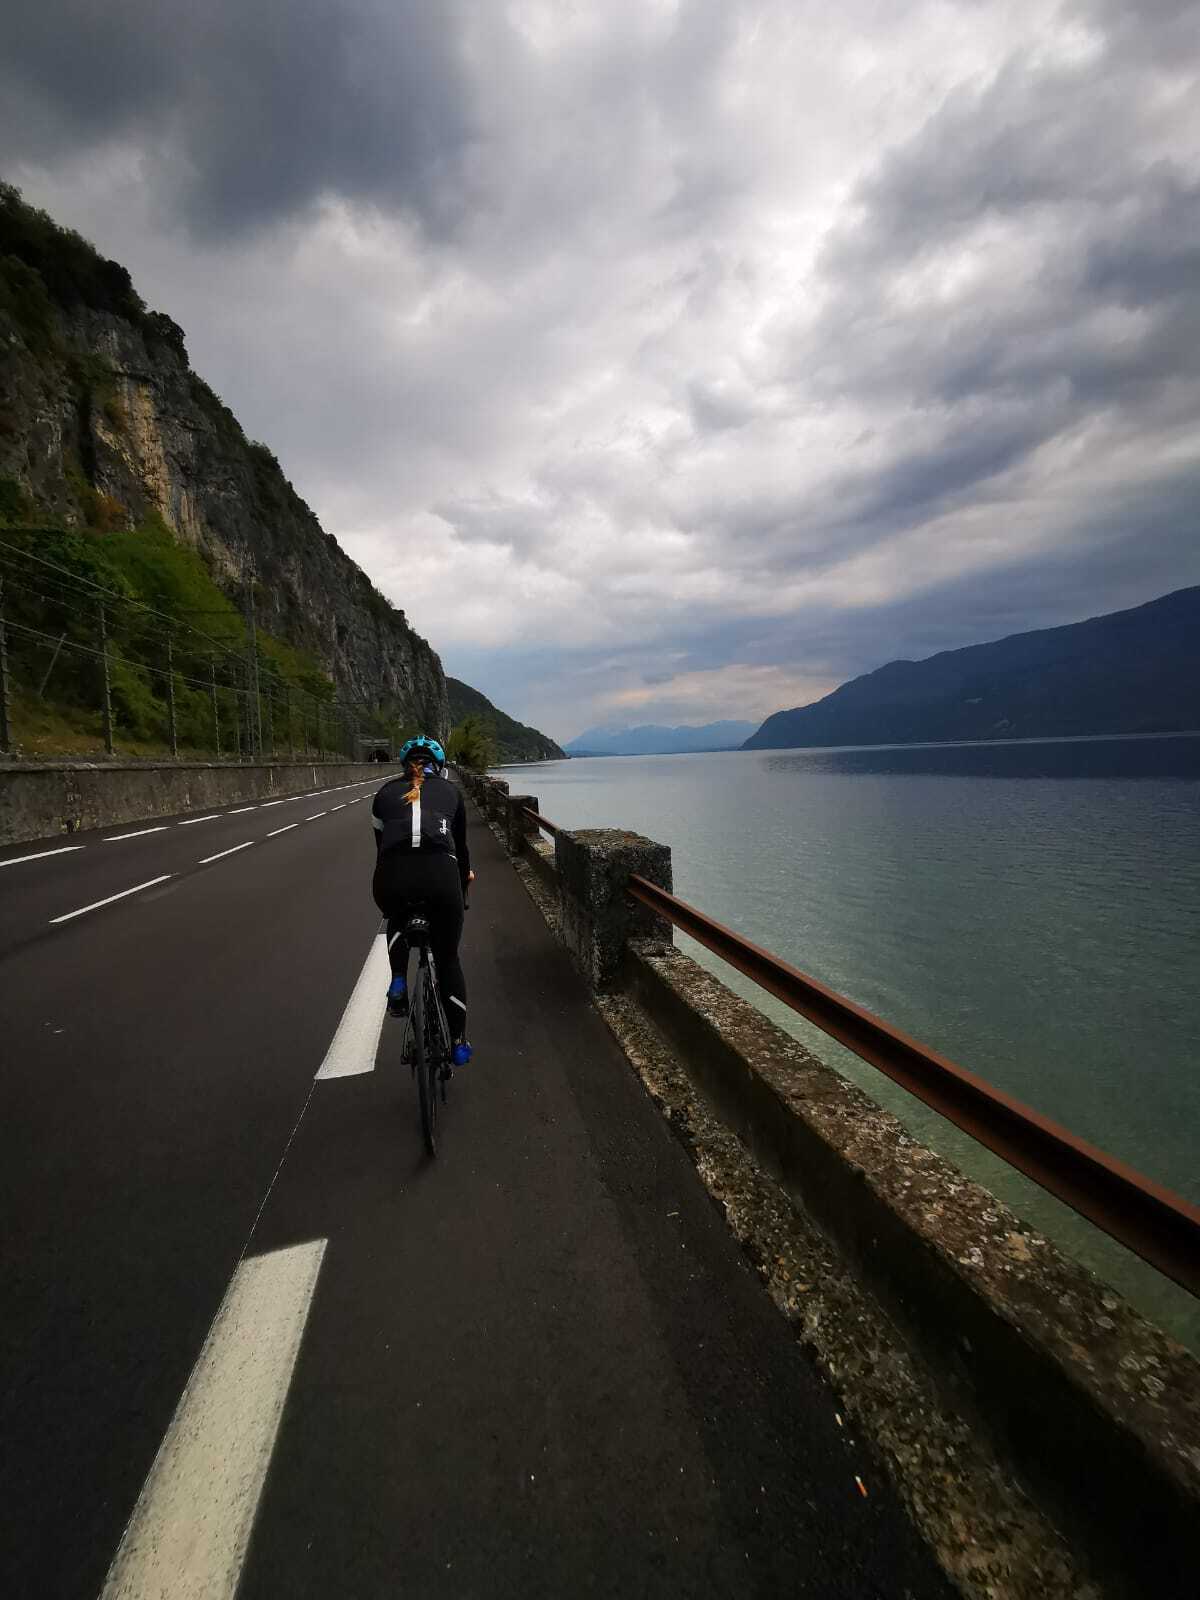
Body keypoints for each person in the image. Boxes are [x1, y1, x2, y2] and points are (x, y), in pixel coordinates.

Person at [371, 735, 474, 1066]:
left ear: (404, 765)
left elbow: (382, 847)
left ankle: (399, 980)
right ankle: (457, 1042)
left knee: (396, 915)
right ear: (439, 767)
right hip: (442, 880)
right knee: (447, 959)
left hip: (393, 879)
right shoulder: (451, 793)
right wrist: (463, 887)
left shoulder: (383, 794)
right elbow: (461, 851)